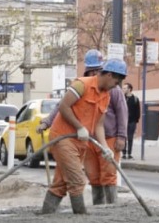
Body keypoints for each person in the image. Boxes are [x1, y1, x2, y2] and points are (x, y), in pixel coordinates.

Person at [40, 59, 127, 215]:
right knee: (77, 179)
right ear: (108, 75)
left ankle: (46, 212)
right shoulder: (81, 85)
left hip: (80, 141)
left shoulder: (106, 96)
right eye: (116, 81)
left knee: (61, 182)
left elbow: (99, 125)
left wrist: (105, 147)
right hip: (63, 137)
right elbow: (63, 106)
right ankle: (80, 214)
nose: (117, 85)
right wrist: (79, 126)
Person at [123, 82, 140, 159]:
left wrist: (136, 120)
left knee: (130, 138)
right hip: (123, 121)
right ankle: (123, 153)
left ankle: (129, 153)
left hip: (132, 121)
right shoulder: (122, 98)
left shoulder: (135, 99)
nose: (123, 89)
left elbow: (138, 111)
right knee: (123, 137)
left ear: (129, 89)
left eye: (125, 88)